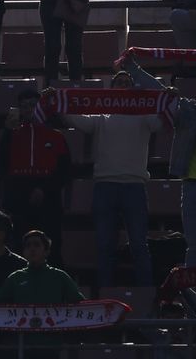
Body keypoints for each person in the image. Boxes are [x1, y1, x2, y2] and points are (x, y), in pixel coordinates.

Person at [124, 53, 196, 265]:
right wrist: (132, 68)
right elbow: (156, 89)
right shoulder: (187, 110)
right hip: (192, 187)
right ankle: (193, 298)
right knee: (193, 248)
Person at [54, 71, 160, 292]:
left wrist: (166, 95)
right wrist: (58, 99)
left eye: (126, 82)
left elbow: (162, 120)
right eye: (118, 82)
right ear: (111, 88)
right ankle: (105, 295)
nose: (122, 85)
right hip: (105, 186)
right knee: (104, 246)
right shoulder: (101, 115)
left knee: (139, 245)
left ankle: (148, 298)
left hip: (134, 186)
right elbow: (77, 120)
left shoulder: (145, 114)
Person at [0, 89, 71, 264]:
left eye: (33, 105)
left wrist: (44, 189)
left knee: (52, 250)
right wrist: (7, 131)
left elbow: (64, 171)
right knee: (18, 252)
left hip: (49, 203)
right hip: (18, 203)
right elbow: (0, 163)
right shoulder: (12, 135)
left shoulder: (56, 137)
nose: (29, 110)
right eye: (24, 106)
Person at [0, 230, 84, 303]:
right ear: (24, 252)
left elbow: (81, 305)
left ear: (46, 251)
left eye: (37, 245)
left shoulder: (60, 276)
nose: (32, 249)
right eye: (28, 246)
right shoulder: (15, 278)